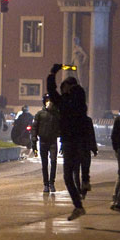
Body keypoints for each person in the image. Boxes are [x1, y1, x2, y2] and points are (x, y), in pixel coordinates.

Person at [47, 64, 88, 221]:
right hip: (74, 140)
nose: (62, 90)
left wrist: (53, 73)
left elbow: (53, 92)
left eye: (64, 87)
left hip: (72, 140)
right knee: (72, 174)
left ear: (69, 87)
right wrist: (53, 74)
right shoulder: (75, 101)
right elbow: (52, 92)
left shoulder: (73, 100)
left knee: (68, 175)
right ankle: (81, 196)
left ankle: (79, 203)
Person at [31, 94, 60, 193]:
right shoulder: (39, 114)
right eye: (47, 100)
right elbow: (34, 127)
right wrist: (34, 139)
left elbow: (61, 127)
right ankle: (46, 184)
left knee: (53, 161)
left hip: (53, 141)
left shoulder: (56, 114)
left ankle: (52, 182)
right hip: (43, 141)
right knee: (44, 163)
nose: (49, 102)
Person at [75, 115, 98, 199]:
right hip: (85, 148)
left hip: (75, 149)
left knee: (76, 171)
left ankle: (78, 191)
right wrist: (94, 148)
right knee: (85, 171)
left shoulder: (72, 120)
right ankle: (83, 191)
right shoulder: (88, 120)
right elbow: (91, 135)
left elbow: (68, 135)